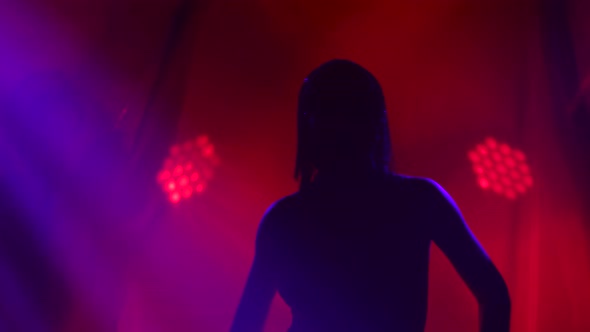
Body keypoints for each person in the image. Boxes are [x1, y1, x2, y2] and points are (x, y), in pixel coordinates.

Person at [230, 60, 510, 332]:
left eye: (348, 114)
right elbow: (494, 294)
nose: (339, 128)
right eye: (329, 115)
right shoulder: (420, 200)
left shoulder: (284, 219)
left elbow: (247, 321)